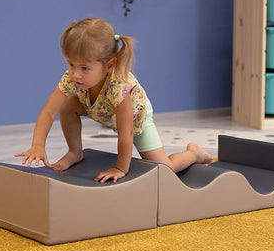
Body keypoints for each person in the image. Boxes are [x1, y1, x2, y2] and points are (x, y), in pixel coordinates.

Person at [15, 18, 213, 183]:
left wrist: (120, 168)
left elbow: (125, 134)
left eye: (84, 68)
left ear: (109, 65)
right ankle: (75, 152)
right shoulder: (71, 78)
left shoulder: (119, 87)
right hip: (101, 110)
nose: (75, 74)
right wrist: (38, 145)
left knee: (164, 169)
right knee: (66, 104)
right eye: (71, 64)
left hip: (135, 119)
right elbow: (49, 111)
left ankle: (194, 154)